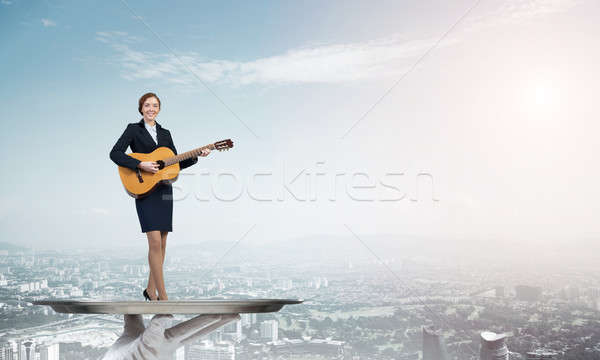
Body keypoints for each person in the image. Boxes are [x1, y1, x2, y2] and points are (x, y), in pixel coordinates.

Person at [109, 92, 210, 301]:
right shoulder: (133, 129)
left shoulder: (166, 133)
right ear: (141, 108)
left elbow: (174, 163)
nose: (151, 109)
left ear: (159, 109)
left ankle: (150, 289)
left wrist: (198, 155)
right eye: (147, 105)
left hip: (164, 189)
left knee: (162, 243)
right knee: (154, 242)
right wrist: (140, 163)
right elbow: (115, 154)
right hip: (144, 189)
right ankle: (162, 297)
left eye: (155, 105)